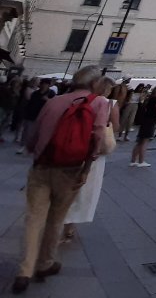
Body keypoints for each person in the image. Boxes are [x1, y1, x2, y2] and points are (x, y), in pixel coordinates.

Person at [12, 65, 111, 294]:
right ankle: (46, 263)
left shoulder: (54, 101)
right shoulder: (99, 102)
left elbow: (34, 134)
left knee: (34, 219)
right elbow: (97, 139)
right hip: (71, 169)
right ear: (95, 83)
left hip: (43, 166)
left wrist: (33, 152)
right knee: (56, 218)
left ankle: (24, 271)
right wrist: (87, 168)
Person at [62, 76, 119, 242]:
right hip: (94, 152)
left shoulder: (79, 99)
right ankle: (70, 228)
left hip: (72, 147)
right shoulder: (110, 104)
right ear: (108, 89)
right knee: (84, 190)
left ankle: (57, 219)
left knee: (66, 185)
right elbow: (116, 127)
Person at [130, 85, 156, 167]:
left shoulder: (150, 98)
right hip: (150, 120)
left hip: (146, 120)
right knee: (145, 141)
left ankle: (133, 160)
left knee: (140, 141)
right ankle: (141, 161)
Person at [15, 80, 52, 155]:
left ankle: (33, 147)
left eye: (46, 84)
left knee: (37, 133)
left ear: (48, 85)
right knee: (27, 131)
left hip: (42, 116)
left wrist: (48, 100)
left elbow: (54, 104)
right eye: (43, 84)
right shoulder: (35, 93)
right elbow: (29, 104)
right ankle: (23, 146)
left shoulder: (51, 94)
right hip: (31, 115)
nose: (44, 86)